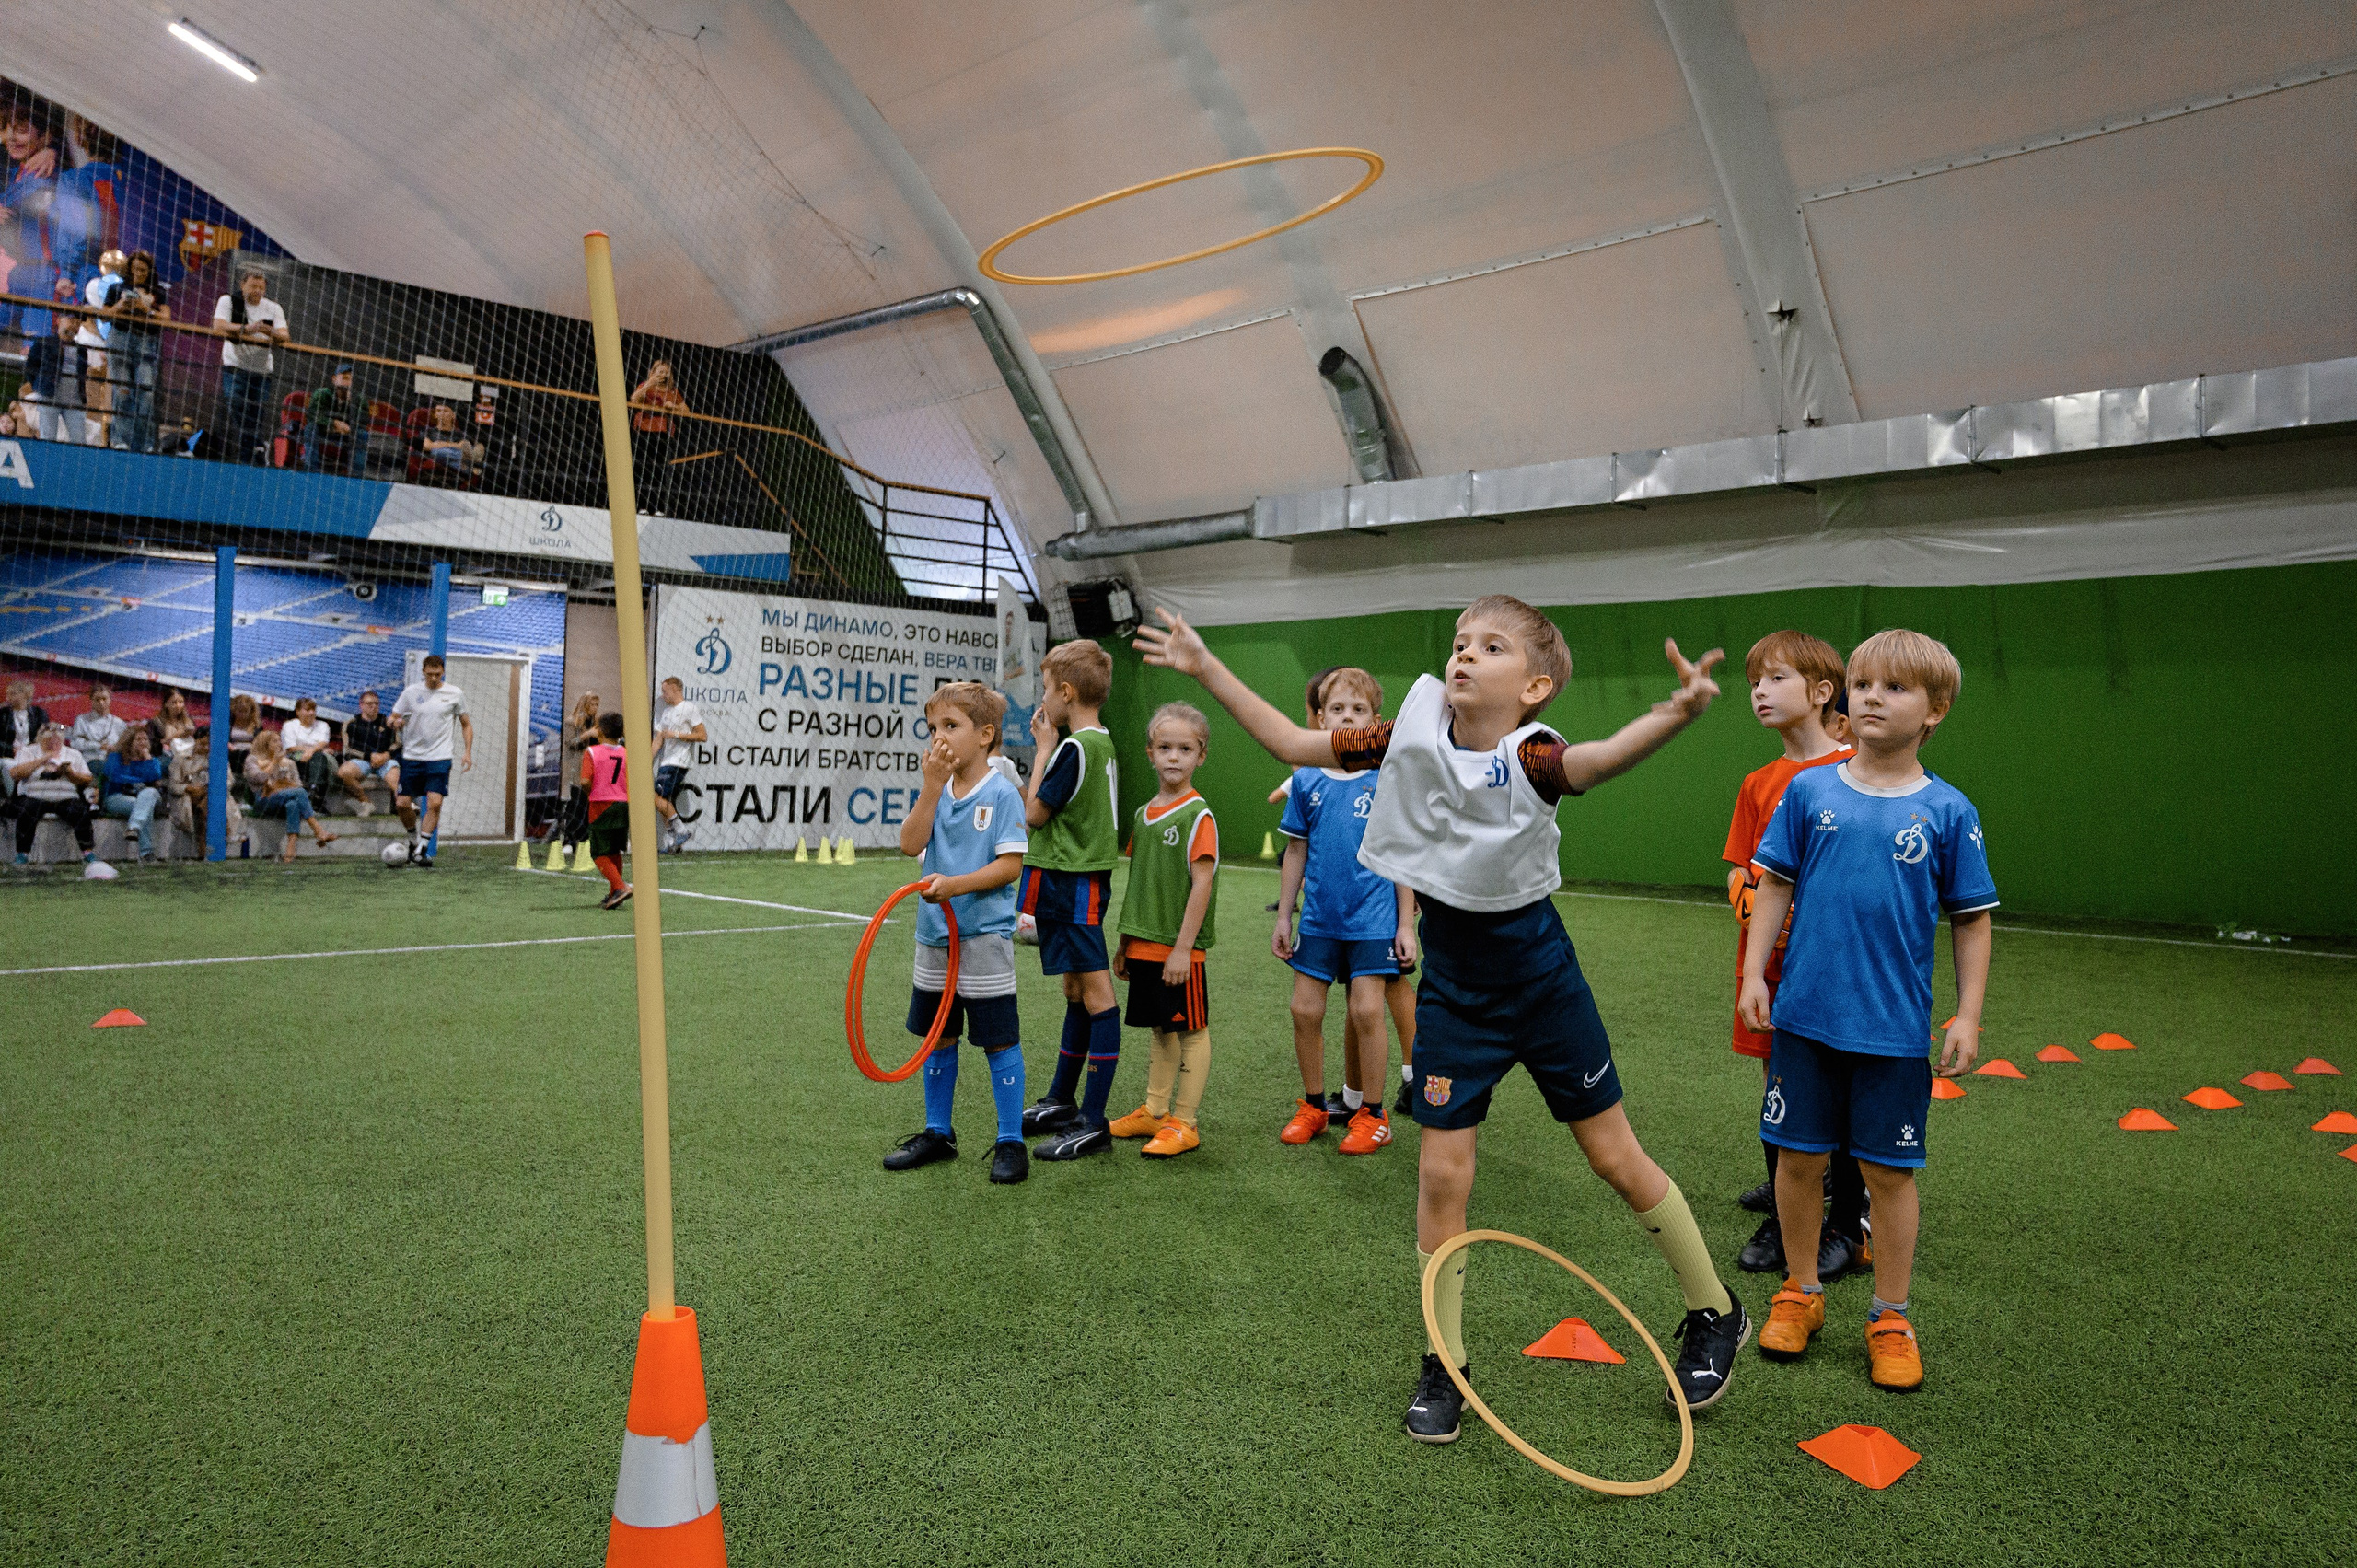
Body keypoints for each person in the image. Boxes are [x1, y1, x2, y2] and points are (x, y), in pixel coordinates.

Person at [1135, 596, 1750, 1435]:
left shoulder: (1533, 757)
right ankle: (1445, 1360)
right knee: (1440, 1174)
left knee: (1614, 1155)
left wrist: (1674, 713)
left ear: (1534, 687)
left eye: (1491, 647)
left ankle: (1714, 1308)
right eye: (1461, 642)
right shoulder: (1405, 734)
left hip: (1542, 983)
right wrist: (1205, 664)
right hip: (1456, 990)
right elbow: (1289, 742)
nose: (1463, 655)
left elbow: (1598, 761)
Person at [1740, 629, 1995, 1394]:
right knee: (1797, 1161)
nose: (1872, 697)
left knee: (1889, 1172)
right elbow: (1773, 884)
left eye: (1895, 687)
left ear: (1935, 709)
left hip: (1891, 1032)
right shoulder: (1808, 792)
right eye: (1863, 684)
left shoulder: (1949, 810)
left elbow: (1971, 918)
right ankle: (1800, 1291)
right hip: (1803, 1021)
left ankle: (1890, 1316)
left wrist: (1968, 1015)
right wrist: (1754, 973)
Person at [1723, 632, 1864, 1282]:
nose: (1760, 691)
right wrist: (1751, 904)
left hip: (1835, 966)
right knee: (1776, 1081)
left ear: (1821, 691)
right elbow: (1741, 870)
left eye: (1776, 678)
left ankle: (1843, 1208)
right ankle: (1788, 1202)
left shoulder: (1856, 769)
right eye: (1755, 681)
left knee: (1844, 1083)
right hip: (1770, 964)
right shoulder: (1757, 782)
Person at [883, 682, 1033, 1184]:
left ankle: (1011, 1141)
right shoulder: (937, 789)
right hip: (934, 938)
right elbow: (910, 844)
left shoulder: (1002, 794)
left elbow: (1010, 866)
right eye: (932, 728)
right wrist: (930, 786)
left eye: (951, 726)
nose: (939, 738)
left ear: (985, 735)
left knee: (998, 1040)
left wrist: (955, 885)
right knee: (938, 1034)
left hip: (983, 940)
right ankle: (937, 1132)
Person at [1271, 667, 1414, 1155]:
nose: (1347, 717)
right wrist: (1284, 914)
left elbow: (1400, 858)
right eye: (1337, 709)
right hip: (1319, 920)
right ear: (1319, 719)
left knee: (1367, 1009)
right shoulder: (1305, 778)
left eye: (1359, 710)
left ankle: (1373, 1116)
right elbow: (1296, 850)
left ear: (1375, 722)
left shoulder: (1385, 779)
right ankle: (1314, 1106)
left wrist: (1405, 924)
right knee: (1304, 1009)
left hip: (1373, 920)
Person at [1012, 639, 1125, 1159]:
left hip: (1072, 882)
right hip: (1073, 881)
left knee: (1097, 995)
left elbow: (1034, 814)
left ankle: (1093, 1121)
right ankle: (1062, 1099)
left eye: (1044, 690)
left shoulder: (1073, 748)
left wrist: (1041, 750)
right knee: (1076, 990)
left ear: (1066, 692)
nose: (1042, 700)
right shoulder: (1101, 743)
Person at [1101, 702, 1222, 1159]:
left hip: (1179, 951)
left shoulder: (1198, 816)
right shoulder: (1142, 814)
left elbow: (1202, 884)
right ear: (1150, 753)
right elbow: (1143, 881)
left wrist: (1182, 949)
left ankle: (1185, 1123)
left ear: (1201, 756)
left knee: (1191, 1030)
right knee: (1160, 1027)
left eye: (1185, 749)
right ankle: (1155, 1110)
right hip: (1144, 946)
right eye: (1165, 747)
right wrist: (1125, 942)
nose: (1174, 756)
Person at [389, 655, 470, 866]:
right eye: (430, 674)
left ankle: (421, 851)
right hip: (412, 757)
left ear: (443, 672)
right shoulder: (411, 692)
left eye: (437, 674)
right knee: (402, 804)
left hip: (440, 757)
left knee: (435, 803)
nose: (434, 678)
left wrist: (467, 752)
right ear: (423, 672)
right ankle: (413, 841)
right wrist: (394, 722)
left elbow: (466, 724)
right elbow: (393, 716)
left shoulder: (455, 693)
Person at [212, 270, 287, 465]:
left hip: (262, 370)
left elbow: (284, 336)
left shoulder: (273, 307)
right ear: (242, 285)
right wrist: (247, 329)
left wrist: (268, 331)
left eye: (261, 288)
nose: (257, 291)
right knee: (237, 405)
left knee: (257, 412)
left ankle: (251, 452)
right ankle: (256, 446)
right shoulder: (229, 301)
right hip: (235, 365)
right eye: (253, 286)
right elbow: (218, 326)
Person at [10, 723, 108, 875]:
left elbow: (87, 778)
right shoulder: (27, 751)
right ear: (40, 738)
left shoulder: (73, 754)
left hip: (66, 796)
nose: (54, 743)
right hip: (34, 795)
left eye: (57, 740)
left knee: (79, 811)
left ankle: (87, 852)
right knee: (27, 810)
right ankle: (22, 854)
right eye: (50, 740)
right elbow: (15, 773)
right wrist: (44, 759)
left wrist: (70, 773)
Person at [102, 250, 168, 454]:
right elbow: (104, 315)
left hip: (146, 341)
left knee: (146, 393)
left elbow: (166, 318)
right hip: (120, 338)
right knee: (123, 391)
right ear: (129, 269)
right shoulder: (116, 288)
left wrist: (144, 307)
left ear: (150, 271)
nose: (138, 273)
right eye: (134, 269)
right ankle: (120, 440)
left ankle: (145, 443)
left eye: (143, 270)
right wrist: (121, 305)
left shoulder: (158, 292)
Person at [244, 729, 339, 862]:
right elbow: (259, 778)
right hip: (263, 800)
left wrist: (286, 784)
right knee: (300, 793)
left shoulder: (288, 762)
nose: (279, 744)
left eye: (280, 741)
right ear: (265, 743)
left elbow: (298, 784)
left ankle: (290, 849)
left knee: (293, 804)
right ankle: (318, 831)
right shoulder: (252, 759)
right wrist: (274, 762)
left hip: (284, 799)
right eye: (275, 741)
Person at [580, 711, 634, 908]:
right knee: (613, 850)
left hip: (601, 804)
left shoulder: (592, 752)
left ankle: (621, 886)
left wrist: (591, 793)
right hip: (623, 804)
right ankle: (614, 893)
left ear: (600, 731)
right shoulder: (626, 753)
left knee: (598, 852)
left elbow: (585, 781)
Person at [650, 676, 703, 853]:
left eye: (665, 691)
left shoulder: (689, 708)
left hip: (679, 761)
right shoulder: (666, 712)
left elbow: (702, 735)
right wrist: (647, 761)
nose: (662, 695)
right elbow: (659, 738)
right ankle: (672, 842)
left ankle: (681, 830)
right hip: (666, 761)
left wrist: (677, 735)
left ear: (675, 689)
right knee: (663, 800)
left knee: (655, 797)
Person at [75, 249, 122, 447]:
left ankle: (108, 440)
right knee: (91, 400)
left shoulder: (123, 291)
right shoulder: (93, 287)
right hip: (91, 352)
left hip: (112, 353)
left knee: (111, 402)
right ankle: (91, 442)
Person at [100, 724, 166, 863]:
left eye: (145, 739)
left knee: (149, 793)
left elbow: (154, 777)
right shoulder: (115, 757)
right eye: (138, 739)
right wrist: (138, 782)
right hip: (117, 797)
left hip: (148, 797)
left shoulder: (152, 760)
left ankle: (134, 827)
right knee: (144, 807)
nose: (143, 743)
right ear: (129, 741)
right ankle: (147, 853)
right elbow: (114, 776)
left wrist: (147, 759)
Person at [629, 360, 688, 513]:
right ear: (653, 372)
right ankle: (642, 505)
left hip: (663, 433)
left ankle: (658, 507)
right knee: (643, 468)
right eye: (660, 371)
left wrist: (673, 407)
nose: (663, 375)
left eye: (666, 372)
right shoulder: (645, 386)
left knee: (660, 470)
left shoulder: (672, 391)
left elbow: (686, 411)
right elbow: (634, 399)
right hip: (644, 430)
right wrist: (650, 384)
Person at [21, 308, 87, 444]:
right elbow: (31, 367)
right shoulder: (44, 343)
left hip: (74, 399)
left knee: (79, 439)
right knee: (48, 436)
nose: (74, 325)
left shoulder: (81, 350)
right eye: (71, 320)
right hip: (49, 395)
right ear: (59, 320)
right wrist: (40, 386)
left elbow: (82, 373)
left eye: (78, 323)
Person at [335, 691, 400, 815]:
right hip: (362, 760)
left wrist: (386, 755)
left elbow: (397, 744)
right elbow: (348, 749)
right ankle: (365, 802)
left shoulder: (387, 723)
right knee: (344, 772)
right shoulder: (351, 724)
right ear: (361, 705)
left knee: (394, 774)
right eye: (370, 703)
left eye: (376, 703)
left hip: (385, 760)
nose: (373, 706)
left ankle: (403, 805)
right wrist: (370, 756)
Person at [303, 365, 368, 476]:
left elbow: (363, 421)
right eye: (344, 378)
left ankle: (357, 475)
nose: (347, 382)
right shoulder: (322, 393)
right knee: (311, 428)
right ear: (334, 379)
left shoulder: (358, 399)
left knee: (362, 434)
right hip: (324, 430)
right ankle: (311, 470)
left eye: (350, 379)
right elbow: (313, 414)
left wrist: (350, 405)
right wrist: (333, 424)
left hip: (346, 433)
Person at [559, 691, 601, 853]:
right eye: (592, 705)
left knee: (589, 805)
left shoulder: (597, 724)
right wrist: (587, 735)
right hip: (578, 769)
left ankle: (585, 839)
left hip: (593, 769)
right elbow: (570, 743)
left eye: (597, 705)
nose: (595, 708)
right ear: (585, 705)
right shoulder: (572, 722)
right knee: (575, 805)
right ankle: (569, 840)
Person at [66, 682, 125, 795]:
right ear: (92, 701)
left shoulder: (119, 723)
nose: (101, 703)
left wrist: (115, 749)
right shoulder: (82, 720)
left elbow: (124, 746)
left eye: (104, 699)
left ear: (110, 700)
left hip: (111, 760)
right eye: (97, 699)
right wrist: (99, 746)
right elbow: (75, 743)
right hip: (90, 760)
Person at [280, 697, 337, 808]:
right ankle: (314, 793)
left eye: (313, 710)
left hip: (317, 755)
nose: (311, 713)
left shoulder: (323, 725)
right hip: (294, 755)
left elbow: (323, 742)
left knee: (319, 757)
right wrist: (313, 749)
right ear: (298, 712)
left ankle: (314, 789)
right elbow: (291, 747)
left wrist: (311, 751)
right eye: (307, 710)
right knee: (316, 756)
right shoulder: (289, 725)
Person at [414, 402, 482, 478]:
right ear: (435, 415)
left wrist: (439, 444)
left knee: (441, 451)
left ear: (453, 415)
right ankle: (471, 462)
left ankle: (466, 463)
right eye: (439, 411)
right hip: (438, 459)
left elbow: (463, 445)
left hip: (455, 466)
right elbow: (427, 446)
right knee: (437, 452)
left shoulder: (460, 434)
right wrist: (453, 445)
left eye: (445, 411)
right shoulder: (428, 431)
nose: (441, 414)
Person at [224, 693, 259, 792]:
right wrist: (228, 745)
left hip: (251, 753)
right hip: (232, 753)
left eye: (245, 711)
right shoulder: (227, 724)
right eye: (239, 711)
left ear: (251, 712)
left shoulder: (257, 726)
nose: (242, 714)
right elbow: (223, 739)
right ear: (234, 709)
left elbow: (260, 742)